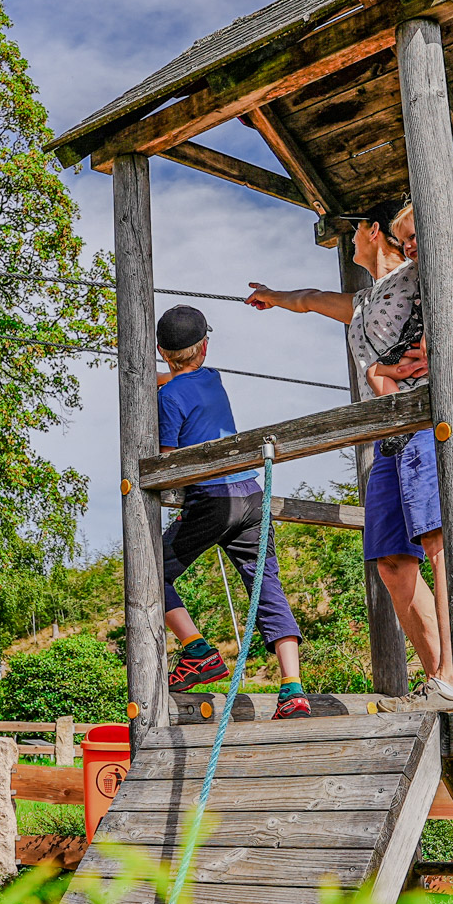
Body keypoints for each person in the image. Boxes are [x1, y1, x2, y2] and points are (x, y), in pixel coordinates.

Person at [244, 199, 453, 712]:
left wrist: (444, 348)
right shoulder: (363, 302)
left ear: (372, 231)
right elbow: (312, 298)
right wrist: (272, 295)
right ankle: (441, 683)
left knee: (437, 541)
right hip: (388, 435)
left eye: (353, 232)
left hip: (432, 420)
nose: (349, 241)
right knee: (392, 562)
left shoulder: (418, 273)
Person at [152, 304, 309, 720]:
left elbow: (168, 463)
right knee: (266, 586)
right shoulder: (213, 379)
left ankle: (197, 650)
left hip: (213, 499)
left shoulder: (167, 397)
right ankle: (292, 689)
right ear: (204, 347)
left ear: (162, 352)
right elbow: (185, 379)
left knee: (149, 572)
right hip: (252, 499)